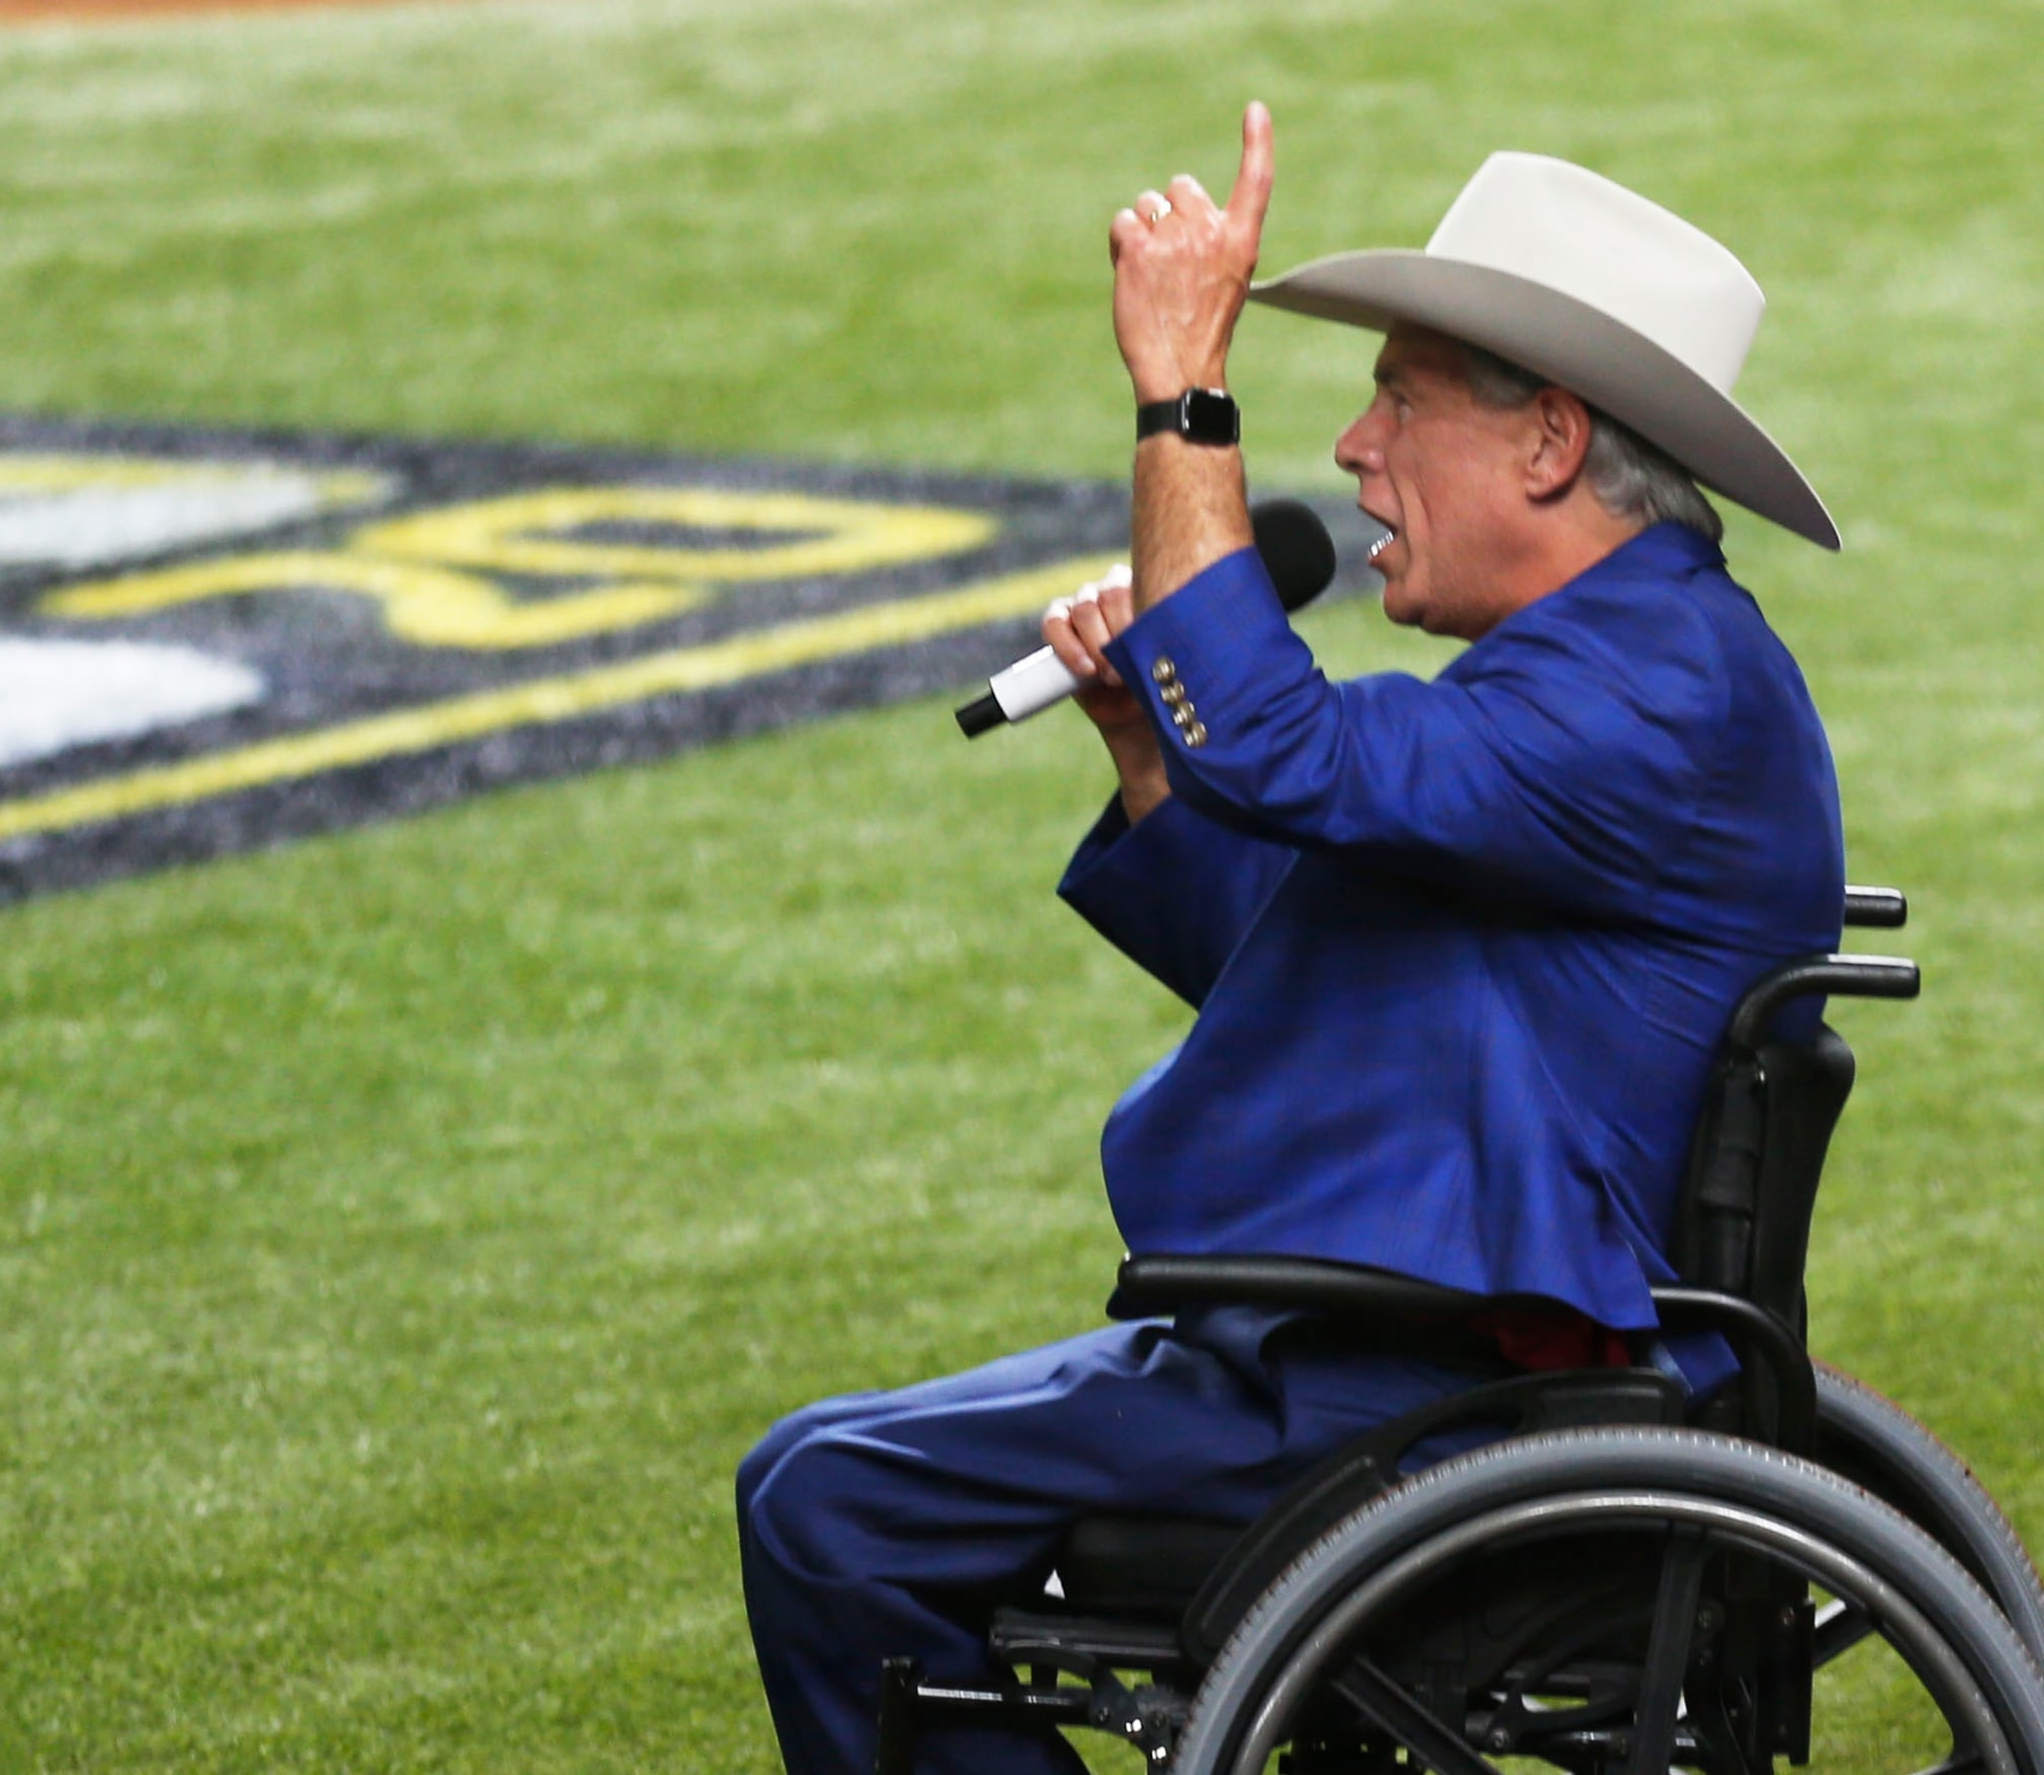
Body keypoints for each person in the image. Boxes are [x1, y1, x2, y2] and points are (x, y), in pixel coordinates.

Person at [735, 104, 1847, 1775]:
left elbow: (1282, 747)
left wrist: (1185, 392)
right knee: (818, 1468)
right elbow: (1343, 964)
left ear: (1549, 442)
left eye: (1398, 395)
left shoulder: (1646, 689)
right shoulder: (1625, 664)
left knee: (829, 1502)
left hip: (1440, 1390)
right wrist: (1149, 762)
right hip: (1427, 1347)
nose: (1353, 444)